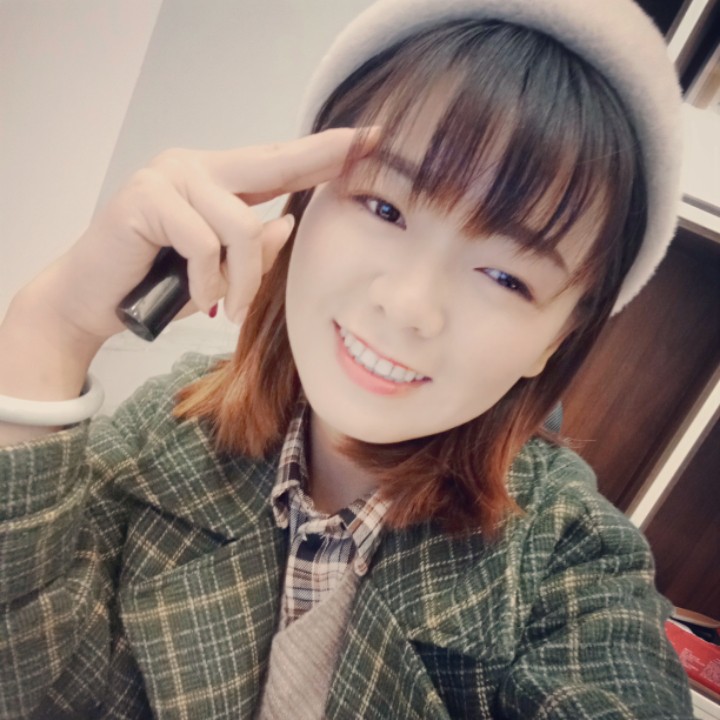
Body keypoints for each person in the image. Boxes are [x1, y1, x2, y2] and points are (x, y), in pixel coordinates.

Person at [0, 0, 695, 717]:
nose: (408, 304)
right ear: (305, 200)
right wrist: (51, 329)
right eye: (386, 209)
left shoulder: (570, 562)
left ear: (555, 340)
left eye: (504, 277)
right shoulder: (166, 434)